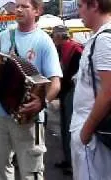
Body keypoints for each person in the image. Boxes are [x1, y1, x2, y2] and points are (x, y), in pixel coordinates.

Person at [0, 0, 62, 179]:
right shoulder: (4, 37)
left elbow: (55, 83)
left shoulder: (44, 41)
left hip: (30, 119)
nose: (18, 9)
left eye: (24, 6)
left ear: (37, 11)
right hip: (0, 113)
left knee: (32, 171)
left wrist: (43, 102)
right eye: (17, 6)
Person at [70, 0, 111, 179]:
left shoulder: (104, 40)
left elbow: (109, 91)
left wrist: (86, 131)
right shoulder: (98, 37)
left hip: (93, 134)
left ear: (94, 5)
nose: (79, 12)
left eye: (80, 6)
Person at [51, 25, 83, 175]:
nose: (52, 38)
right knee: (64, 126)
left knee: (70, 128)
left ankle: (72, 163)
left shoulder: (75, 49)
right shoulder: (61, 49)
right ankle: (68, 159)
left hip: (72, 91)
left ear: (59, 36)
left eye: (54, 36)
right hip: (65, 92)